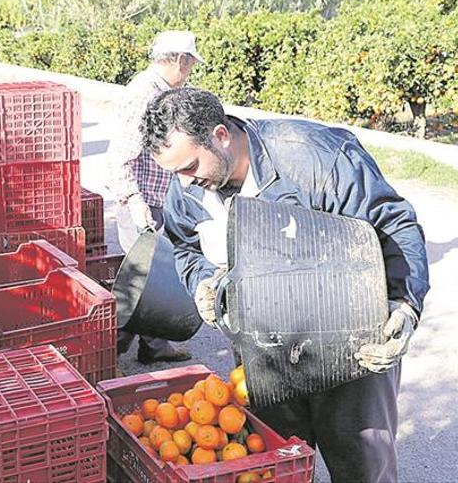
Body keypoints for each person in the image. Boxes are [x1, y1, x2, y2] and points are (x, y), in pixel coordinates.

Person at [140, 87, 429, 482]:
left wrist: (404, 303)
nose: (185, 182)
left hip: (351, 344)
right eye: (175, 172)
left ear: (220, 136)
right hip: (265, 352)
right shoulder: (189, 186)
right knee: (278, 464)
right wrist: (203, 281)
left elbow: (394, 224)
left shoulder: (316, 158)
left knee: (362, 466)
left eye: (190, 167)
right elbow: (183, 245)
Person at [107, 30, 203, 363]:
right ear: (180, 59)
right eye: (190, 63)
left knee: (146, 283)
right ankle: (111, 350)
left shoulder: (165, 91)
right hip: (143, 203)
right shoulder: (145, 94)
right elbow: (120, 155)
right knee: (141, 284)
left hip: (156, 200)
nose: (190, 70)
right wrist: (134, 200)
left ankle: (143, 347)